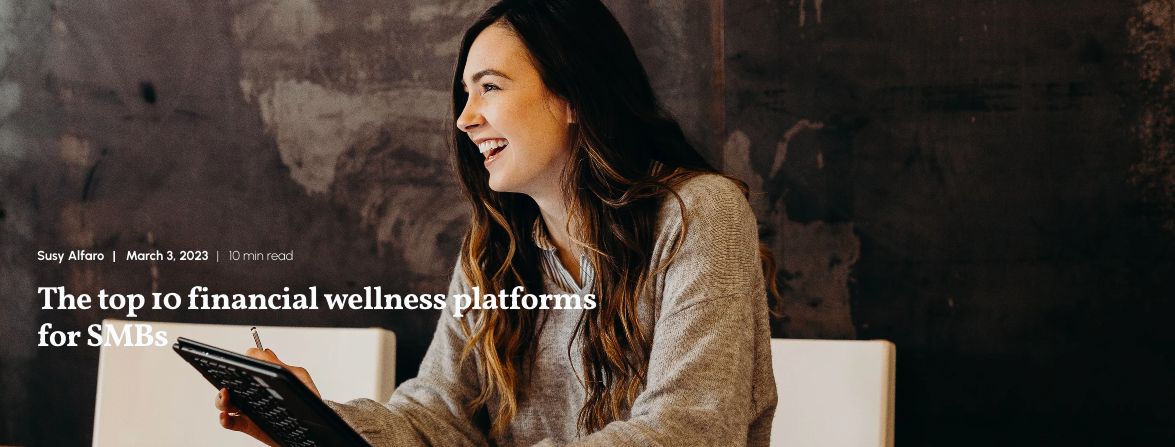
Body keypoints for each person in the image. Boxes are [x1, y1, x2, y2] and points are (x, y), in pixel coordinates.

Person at [216, 0, 778, 445]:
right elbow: (437, 419)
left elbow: (691, 432)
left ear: (573, 96)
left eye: (490, 87)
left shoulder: (699, 214)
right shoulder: (495, 249)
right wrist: (317, 423)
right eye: (465, 94)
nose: (465, 119)